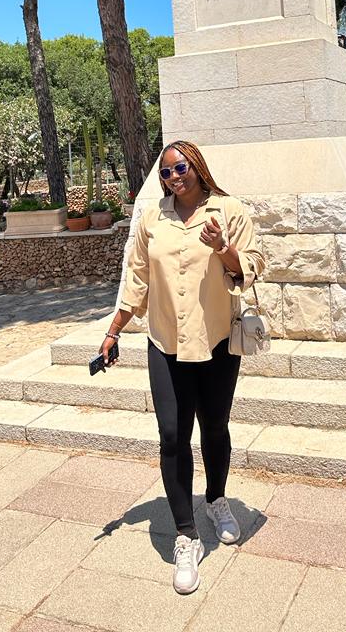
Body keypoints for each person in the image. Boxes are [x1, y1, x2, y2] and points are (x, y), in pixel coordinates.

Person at [98, 141, 264, 594]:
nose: (174, 177)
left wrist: (223, 248)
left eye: (181, 168)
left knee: (215, 428)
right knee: (172, 436)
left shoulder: (228, 211)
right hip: (166, 343)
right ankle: (186, 535)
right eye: (166, 172)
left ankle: (216, 500)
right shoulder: (152, 218)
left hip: (216, 342)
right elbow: (137, 278)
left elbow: (252, 266)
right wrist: (113, 331)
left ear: (198, 167)